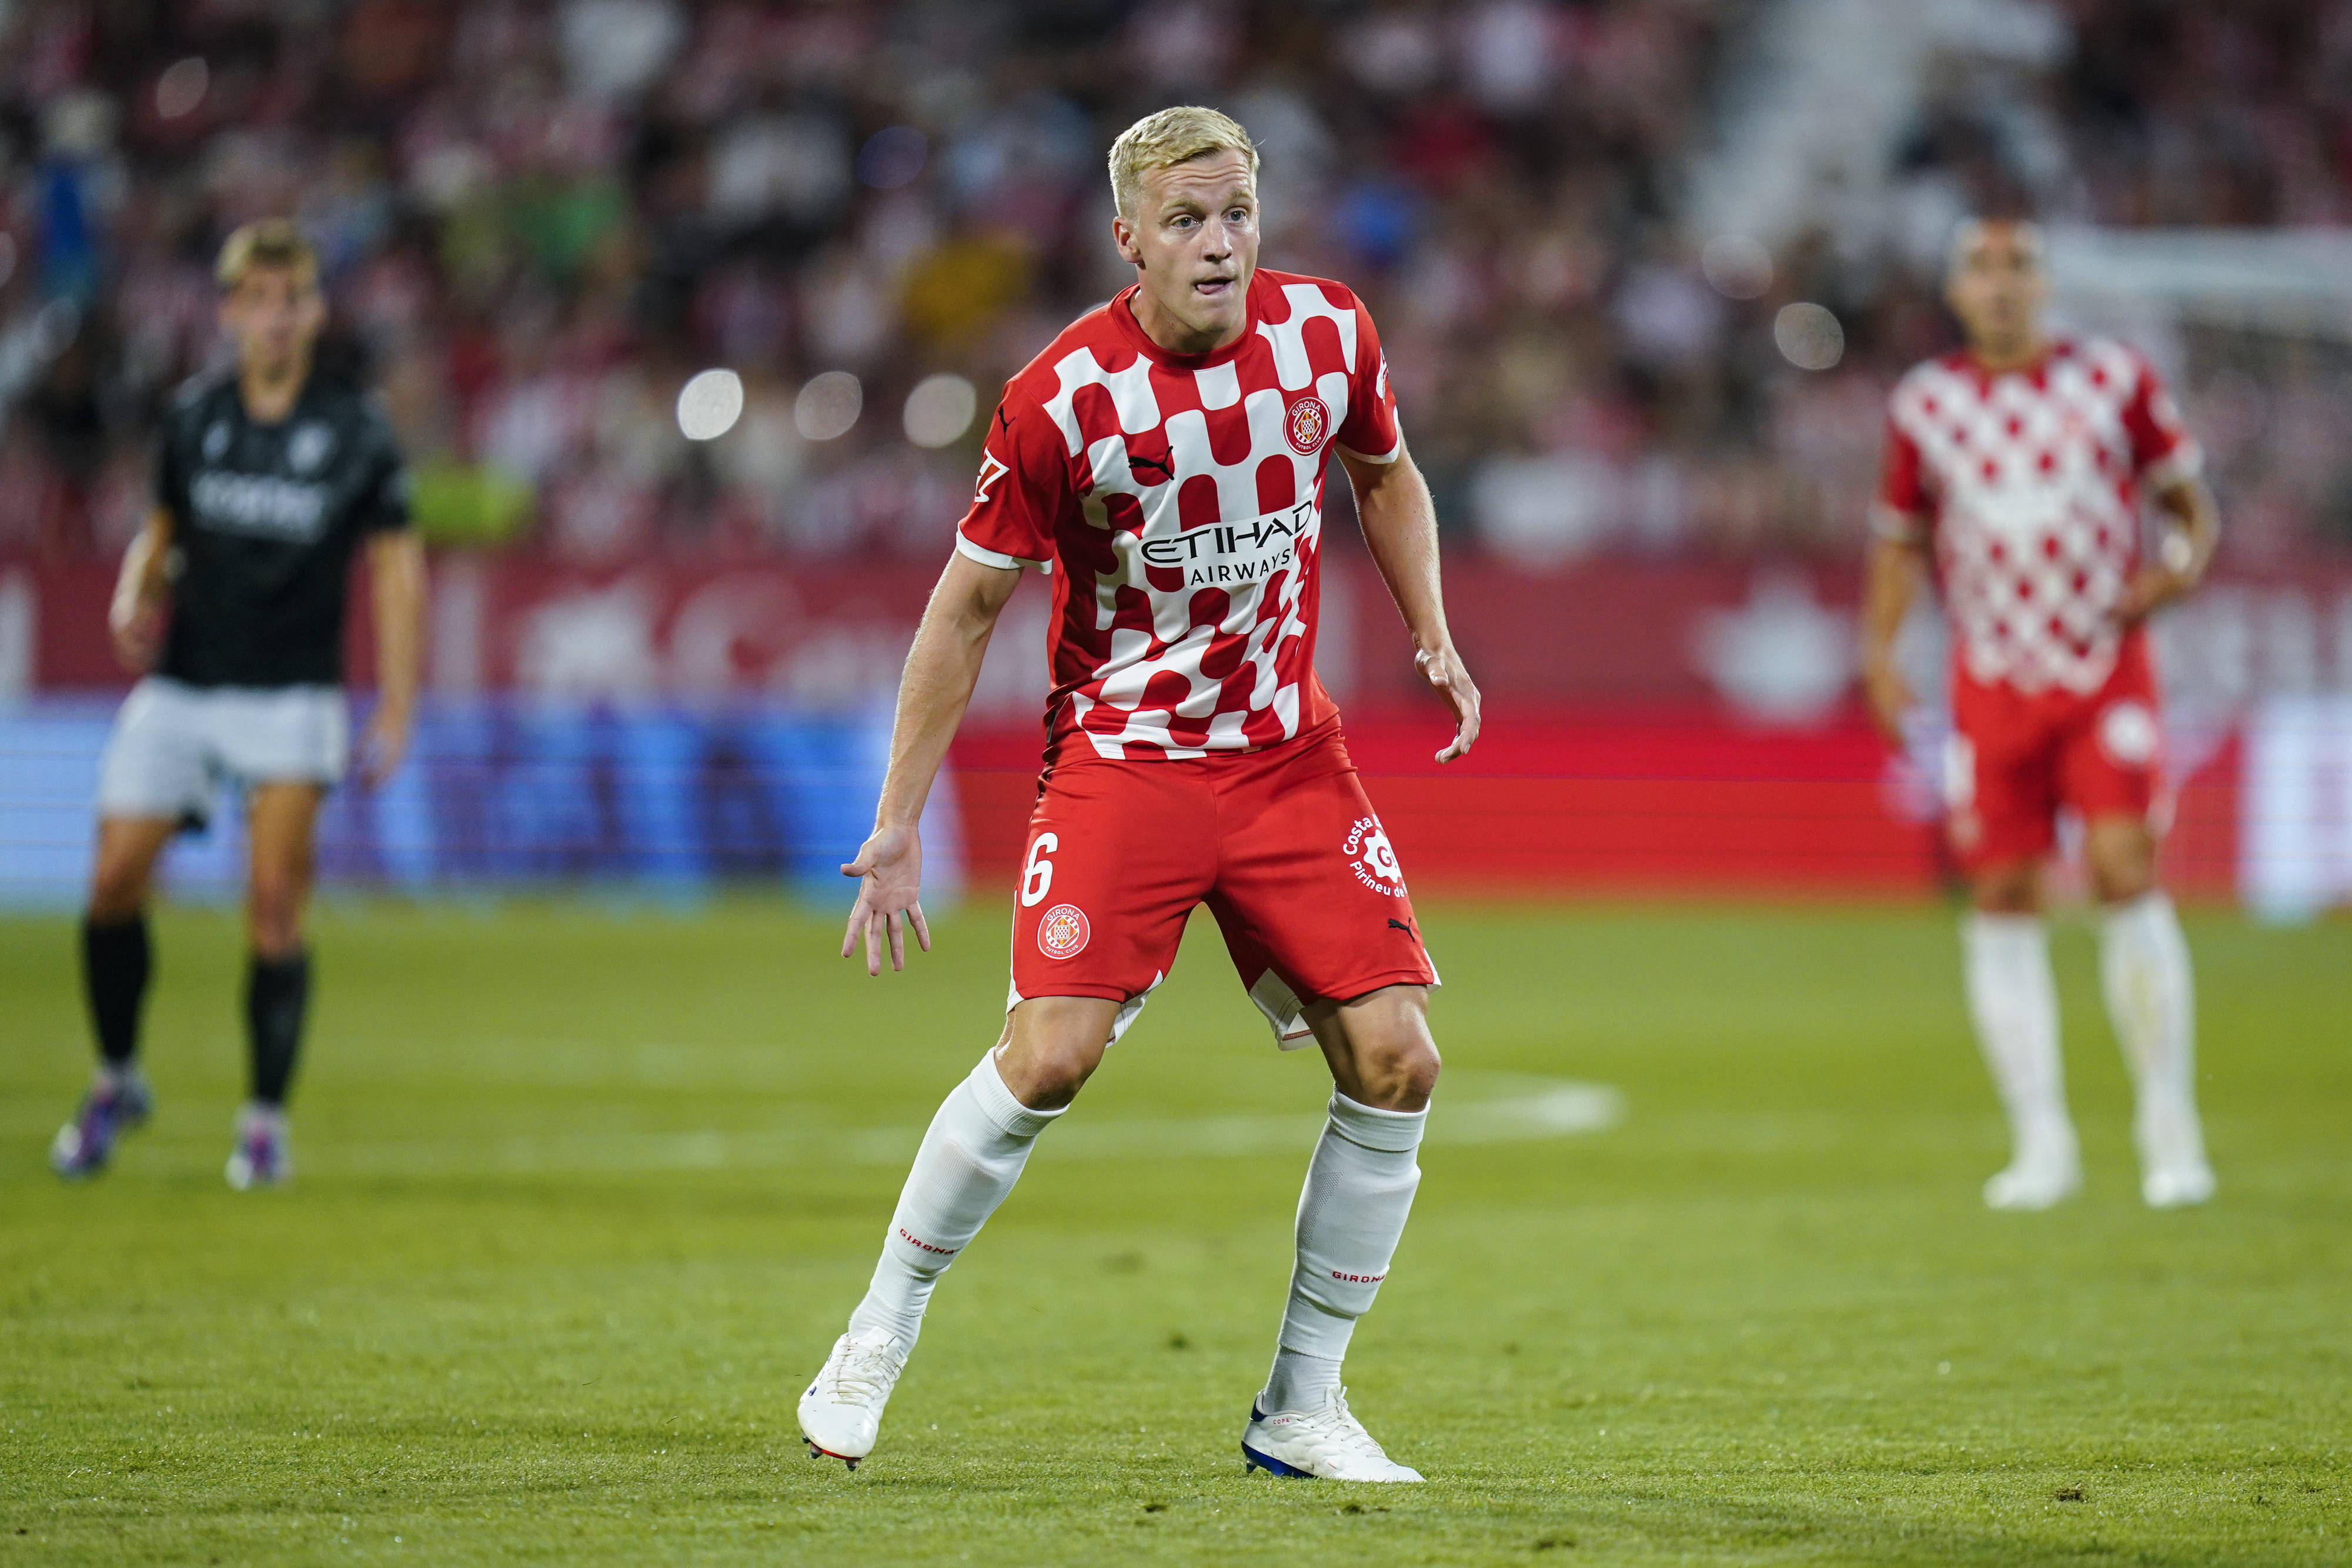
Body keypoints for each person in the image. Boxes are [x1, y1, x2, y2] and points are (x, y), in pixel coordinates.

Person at [796, 106, 1480, 1482]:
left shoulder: (1329, 333)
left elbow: (1385, 475)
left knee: (1397, 1058)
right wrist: (895, 822)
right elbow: (963, 610)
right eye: (1185, 221)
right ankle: (876, 1329)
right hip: (1127, 757)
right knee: (1049, 1055)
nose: (1218, 243)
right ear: (1128, 241)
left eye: (1235, 213)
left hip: (1289, 756)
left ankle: (1301, 1403)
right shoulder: (1061, 398)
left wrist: (1432, 629)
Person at [50, 219, 423, 1189]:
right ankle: (118, 1077)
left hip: (292, 695)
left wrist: (397, 703)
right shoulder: (193, 417)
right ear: (228, 312)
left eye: (290, 298)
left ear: (314, 310)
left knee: (271, 905)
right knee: (111, 885)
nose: (273, 317)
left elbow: (396, 568)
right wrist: (137, 587)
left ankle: (262, 1123)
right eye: (256, 300)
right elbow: (161, 529)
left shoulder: (355, 429)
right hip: (182, 683)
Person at [1861, 218, 2220, 1212]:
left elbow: (2192, 508)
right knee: (2006, 892)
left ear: (2046, 284)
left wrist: (2175, 575)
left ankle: (2168, 1129)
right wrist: (1882, 658)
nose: (2002, 284)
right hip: (1990, 680)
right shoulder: (1926, 404)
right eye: (1982, 267)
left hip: (2103, 666)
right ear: (1956, 289)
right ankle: (2043, 1144)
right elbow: (1899, 543)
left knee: (2120, 867)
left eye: (2020, 266)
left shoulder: (2115, 381)